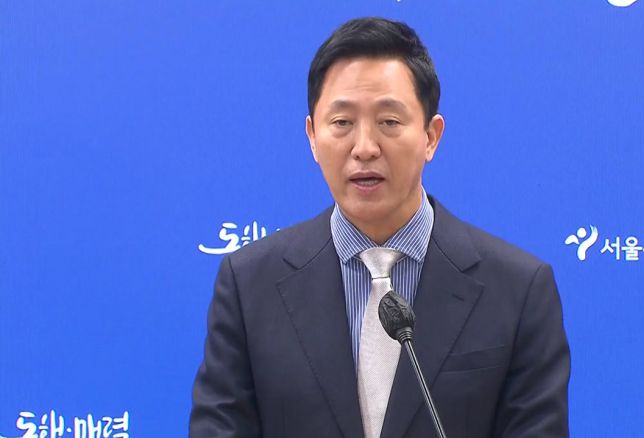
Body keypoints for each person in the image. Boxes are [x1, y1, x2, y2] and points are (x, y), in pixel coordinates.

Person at [190, 17, 570, 438]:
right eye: (342, 123)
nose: (365, 148)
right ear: (312, 136)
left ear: (431, 136)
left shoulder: (518, 291)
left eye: (389, 121)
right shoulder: (249, 286)